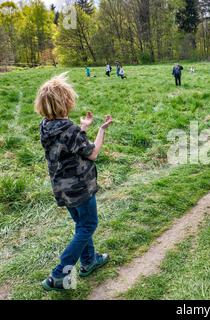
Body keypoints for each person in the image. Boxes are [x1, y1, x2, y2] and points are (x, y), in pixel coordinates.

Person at [35, 73, 113, 291]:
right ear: (64, 101)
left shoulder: (46, 126)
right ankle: (60, 272)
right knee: (88, 225)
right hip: (80, 188)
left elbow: (68, 145)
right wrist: (100, 130)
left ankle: (89, 262)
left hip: (62, 188)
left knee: (81, 226)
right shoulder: (68, 129)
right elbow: (92, 153)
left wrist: (83, 128)